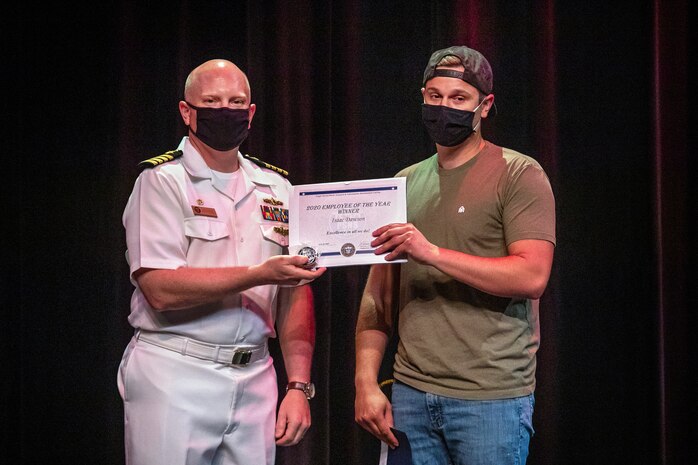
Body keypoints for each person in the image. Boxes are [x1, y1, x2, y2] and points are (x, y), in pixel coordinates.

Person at [354, 45, 556, 465]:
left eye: (459, 98)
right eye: (435, 96)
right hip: (410, 395)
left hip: (490, 400)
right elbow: (378, 299)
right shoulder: (404, 183)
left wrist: (430, 253)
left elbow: (532, 276)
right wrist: (365, 382)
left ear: (485, 106)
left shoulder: (519, 174)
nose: (444, 107)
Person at [118, 58, 325, 465]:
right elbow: (159, 288)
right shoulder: (160, 182)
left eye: (236, 102)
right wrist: (258, 274)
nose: (224, 111)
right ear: (186, 112)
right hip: (175, 369)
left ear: (250, 113)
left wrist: (298, 386)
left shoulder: (277, 187)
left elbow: (295, 294)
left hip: (255, 374)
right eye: (211, 101)